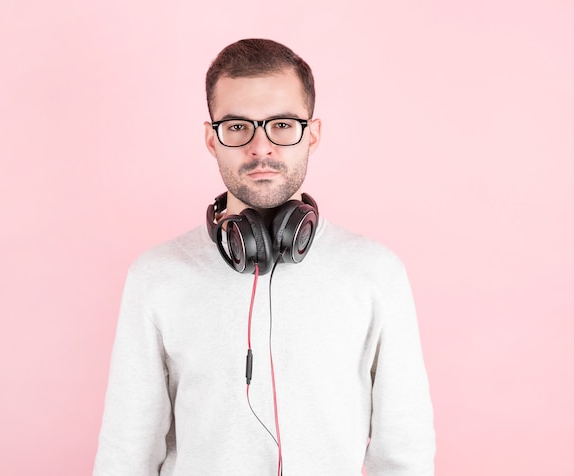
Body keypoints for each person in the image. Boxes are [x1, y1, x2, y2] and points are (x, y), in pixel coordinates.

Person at [93, 38, 435, 476]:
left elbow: (404, 451)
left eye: (282, 125)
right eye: (237, 127)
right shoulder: (157, 275)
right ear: (211, 139)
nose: (261, 148)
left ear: (312, 134)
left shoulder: (375, 272)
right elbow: (127, 452)